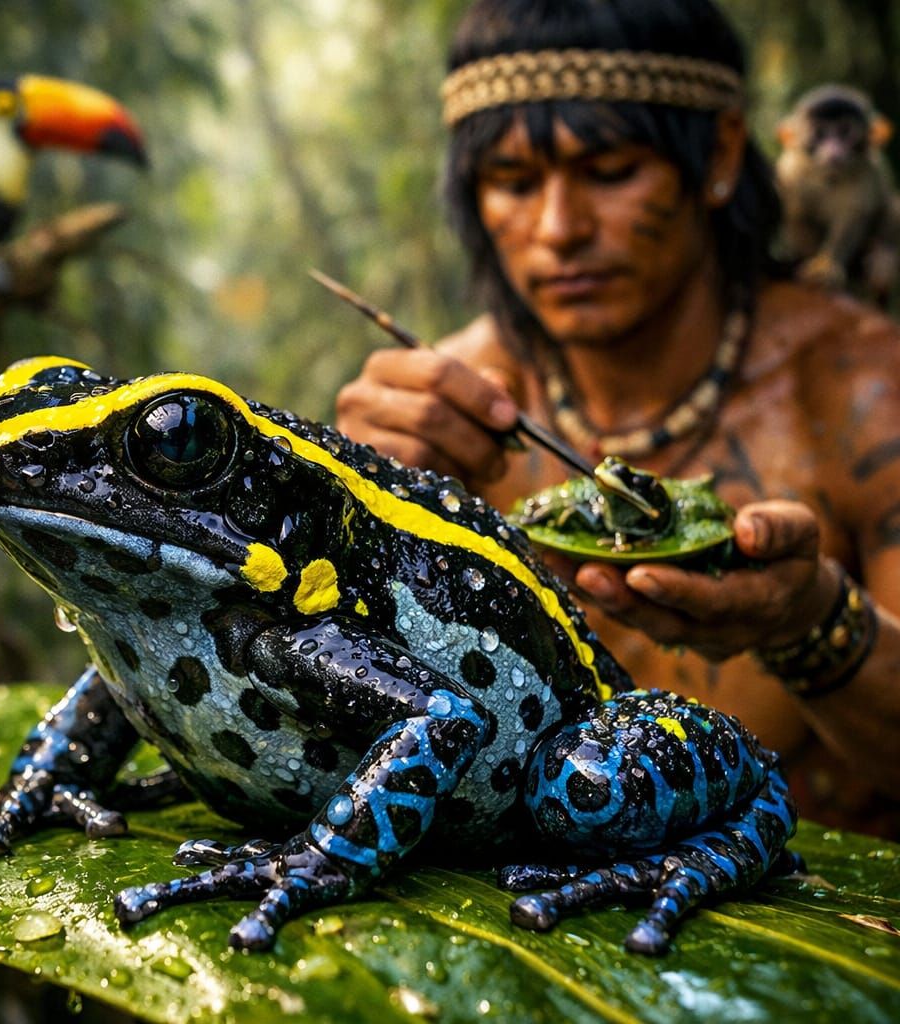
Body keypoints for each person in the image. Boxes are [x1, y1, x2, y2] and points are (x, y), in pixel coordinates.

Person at [336, 0, 900, 838]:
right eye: (515, 184)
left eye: (608, 171)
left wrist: (810, 620)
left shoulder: (863, 388)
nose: (558, 230)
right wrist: (353, 507)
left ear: (719, 157)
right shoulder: (434, 416)